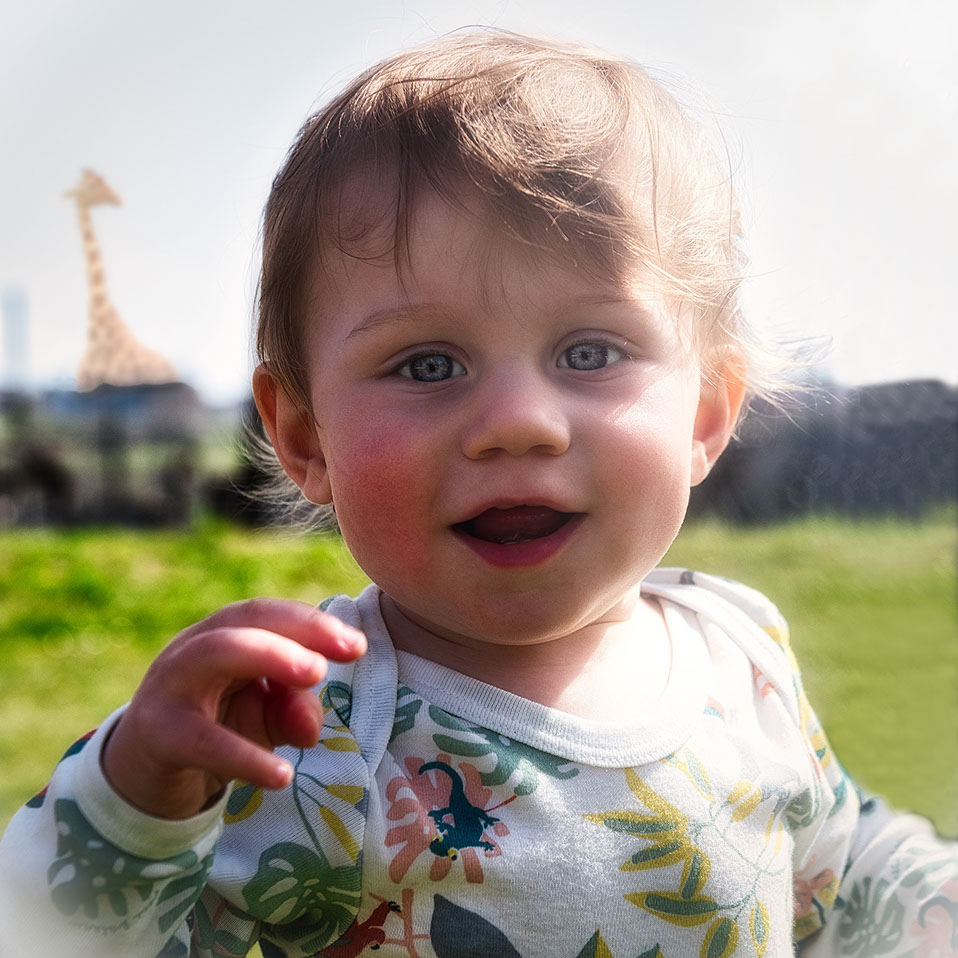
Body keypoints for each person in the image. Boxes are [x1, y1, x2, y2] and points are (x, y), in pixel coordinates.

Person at [1, 29, 954, 958]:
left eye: (591, 351)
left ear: (705, 412)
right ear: (304, 436)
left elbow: (837, 874)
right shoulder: (314, 736)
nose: (519, 422)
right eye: (428, 363)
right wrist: (137, 807)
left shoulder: (741, 658)